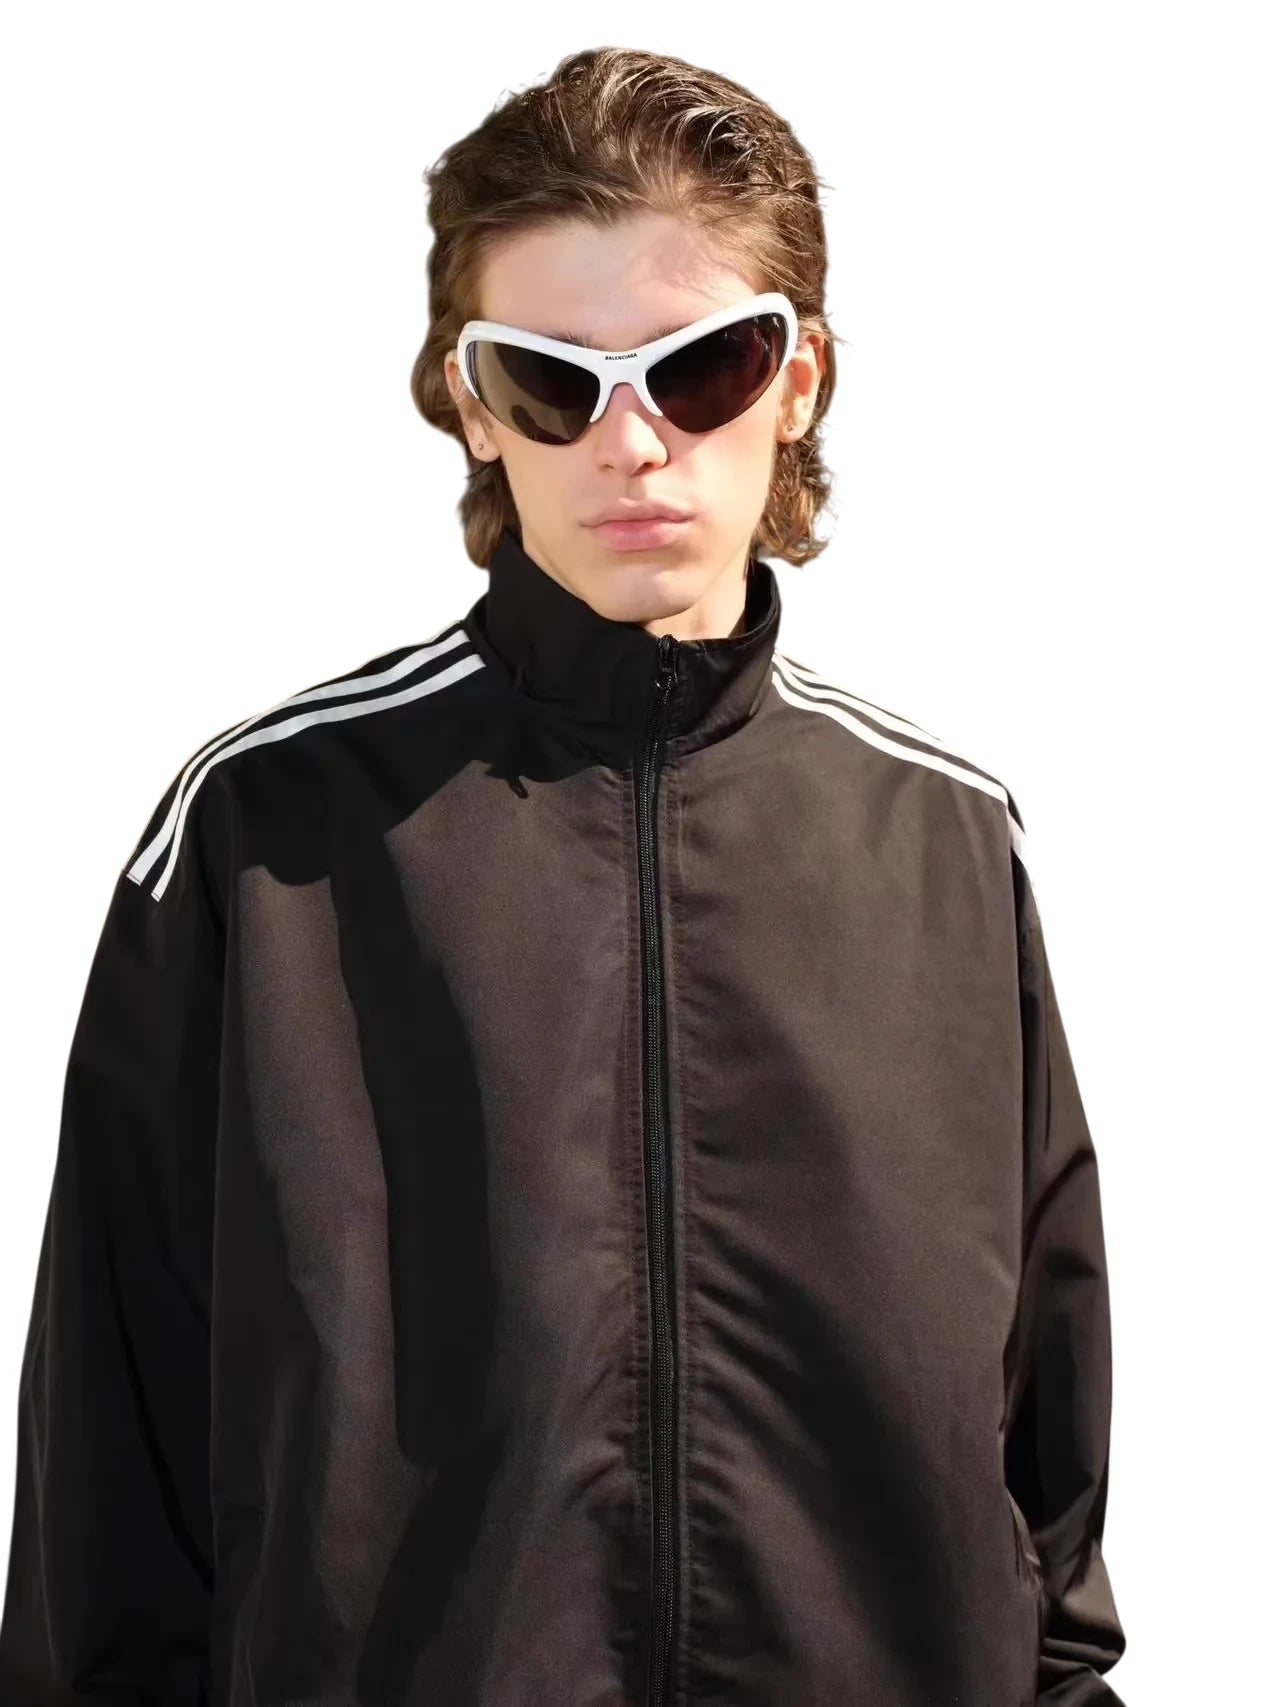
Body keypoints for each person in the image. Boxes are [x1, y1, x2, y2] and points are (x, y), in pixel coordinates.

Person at [0, 44, 1126, 1707]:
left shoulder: (946, 839)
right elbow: (110, 1487)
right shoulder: (268, 835)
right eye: (552, 380)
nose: (634, 443)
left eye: (704, 366)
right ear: (471, 401)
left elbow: (1047, 1495)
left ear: (799, 381)